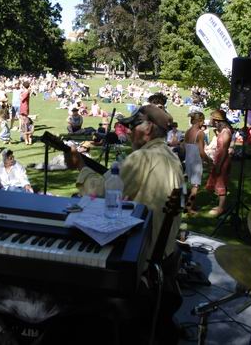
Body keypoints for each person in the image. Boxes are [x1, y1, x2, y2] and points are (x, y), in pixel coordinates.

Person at [65, 105, 183, 344]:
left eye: (133, 125)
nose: (128, 131)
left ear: (148, 128)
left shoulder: (142, 158)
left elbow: (100, 192)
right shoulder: (171, 156)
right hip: (163, 255)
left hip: (141, 260)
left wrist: (80, 167)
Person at [205, 110, 232, 217]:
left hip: (223, 161)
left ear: (216, 120)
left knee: (221, 184)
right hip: (219, 159)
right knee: (218, 182)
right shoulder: (222, 131)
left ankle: (221, 208)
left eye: (212, 118)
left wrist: (219, 165)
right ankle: (220, 205)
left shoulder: (226, 132)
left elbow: (224, 150)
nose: (210, 120)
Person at [184, 112, 211, 214]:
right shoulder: (200, 133)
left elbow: (184, 146)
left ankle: (189, 204)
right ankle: (189, 208)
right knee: (195, 186)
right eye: (203, 121)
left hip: (188, 160)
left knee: (190, 184)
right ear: (199, 121)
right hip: (195, 162)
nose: (203, 123)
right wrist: (209, 162)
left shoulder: (187, 131)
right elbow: (201, 152)